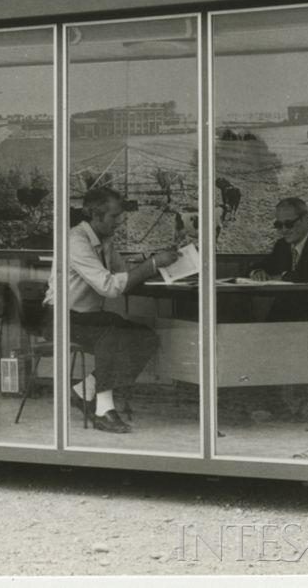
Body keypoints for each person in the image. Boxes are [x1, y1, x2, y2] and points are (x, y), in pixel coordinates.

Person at [50, 186, 179, 434]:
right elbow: (109, 286)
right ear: (95, 215)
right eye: (114, 216)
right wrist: (152, 264)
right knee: (109, 331)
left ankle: (83, 391)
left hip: (86, 317)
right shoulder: (75, 241)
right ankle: (103, 411)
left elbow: (124, 274)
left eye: (121, 215)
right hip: (60, 317)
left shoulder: (103, 240)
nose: (120, 221)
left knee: (146, 338)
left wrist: (161, 266)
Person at [247, 197, 308, 320]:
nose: (283, 230)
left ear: (305, 219)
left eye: (289, 224)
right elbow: (260, 265)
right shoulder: (282, 246)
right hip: (289, 315)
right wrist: (257, 272)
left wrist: (282, 275)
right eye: (278, 225)